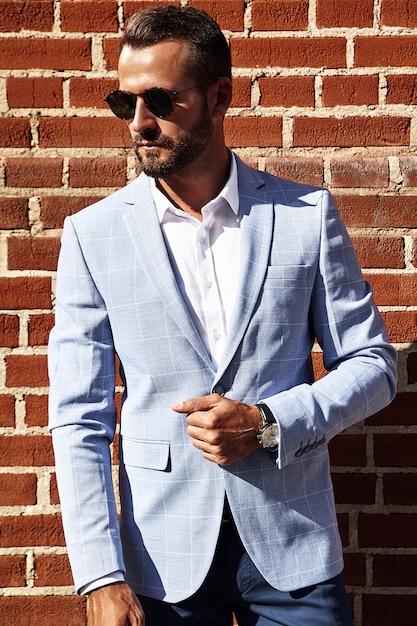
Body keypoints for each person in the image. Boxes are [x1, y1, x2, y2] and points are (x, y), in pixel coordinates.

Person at [48, 6, 397, 626]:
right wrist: (99, 575)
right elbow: (79, 418)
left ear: (219, 96)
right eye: (123, 102)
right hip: (161, 555)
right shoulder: (92, 236)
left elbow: (373, 365)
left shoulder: (304, 215)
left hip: (293, 547)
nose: (139, 123)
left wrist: (268, 422)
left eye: (160, 99)